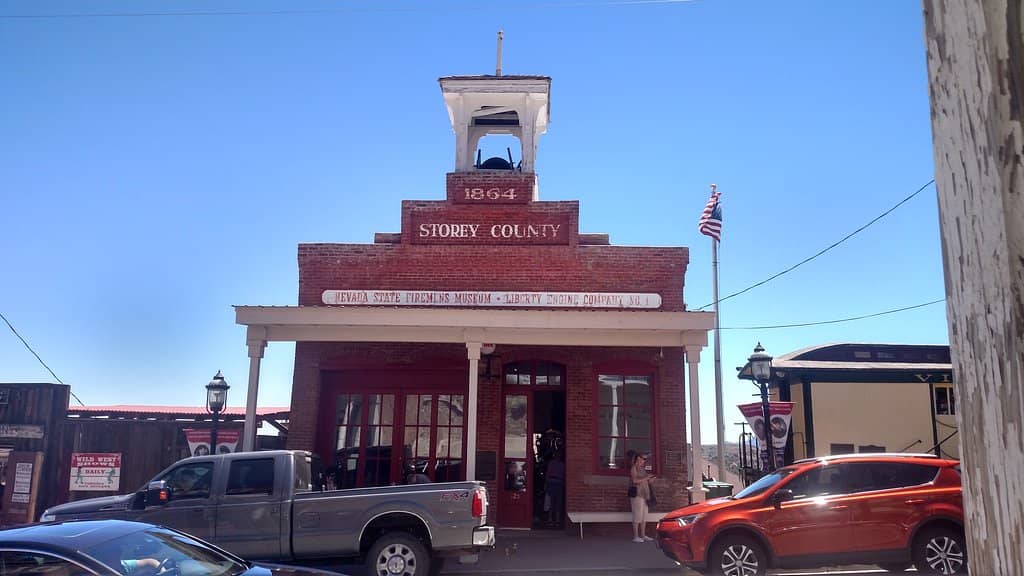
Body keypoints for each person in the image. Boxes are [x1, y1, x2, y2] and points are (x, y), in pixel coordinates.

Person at [629, 451, 657, 543]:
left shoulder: (642, 469)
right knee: (637, 515)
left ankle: (643, 535)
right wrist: (646, 478)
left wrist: (650, 480)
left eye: (644, 459)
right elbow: (634, 480)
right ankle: (636, 536)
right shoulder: (634, 468)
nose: (643, 460)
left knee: (644, 516)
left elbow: (645, 481)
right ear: (637, 458)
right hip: (637, 494)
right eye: (642, 458)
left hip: (645, 494)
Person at [544, 449, 565, 526]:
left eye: (559, 454)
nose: (558, 456)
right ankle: (550, 519)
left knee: (558, 502)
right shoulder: (552, 463)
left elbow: (564, 475)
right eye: (557, 454)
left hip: (558, 483)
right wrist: (546, 483)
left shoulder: (562, 465)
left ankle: (557, 520)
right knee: (551, 502)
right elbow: (547, 473)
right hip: (552, 483)